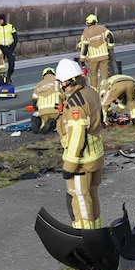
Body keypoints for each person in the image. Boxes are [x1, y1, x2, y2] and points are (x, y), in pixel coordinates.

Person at [54, 58, 105, 230]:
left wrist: (69, 166)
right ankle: (97, 231)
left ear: (67, 81)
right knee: (92, 195)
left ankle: (86, 237)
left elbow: (77, 137)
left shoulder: (75, 104)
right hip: (96, 156)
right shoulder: (90, 92)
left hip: (82, 162)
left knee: (80, 198)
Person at [79, 13, 114, 91]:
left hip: (92, 59)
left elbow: (84, 47)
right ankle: (104, 90)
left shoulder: (86, 32)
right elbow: (110, 36)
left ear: (87, 23)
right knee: (104, 75)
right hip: (104, 56)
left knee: (93, 76)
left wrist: (82, 59)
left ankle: (94, 91)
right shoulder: (102, 29)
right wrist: (110, 47)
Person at [30, 67, 62, 134]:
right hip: (55, 109)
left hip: (42, 111)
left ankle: (42, 125)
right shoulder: (58, 82)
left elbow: (34, 102)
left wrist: (38, 109)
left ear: (43, 75)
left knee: (41, 118)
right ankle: (54, 124)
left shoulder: (39, 84)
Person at [0, 13, 18, 84]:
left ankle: (9, 75)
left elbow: (15, 37)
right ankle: (0, 76)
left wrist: (13, 46)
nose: (0, 21)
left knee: (11, 63)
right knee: (0, 63)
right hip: (0, 48)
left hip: (9, 47)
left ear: (4, 20)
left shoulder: (10, 26)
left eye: (1, 20)